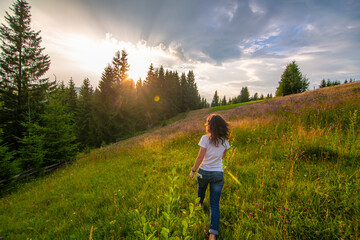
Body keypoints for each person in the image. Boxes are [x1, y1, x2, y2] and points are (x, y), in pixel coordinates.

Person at [189, 114, 230, 240]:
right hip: (218, 174)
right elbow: (222, 157)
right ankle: (212, 235)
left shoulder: (205, 139)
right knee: (214, 205)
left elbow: (200, 156)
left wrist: (193, 170)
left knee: (201, 190)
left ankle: (200, 205)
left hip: (203, 172)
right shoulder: (225, 141)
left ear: (210, 126)